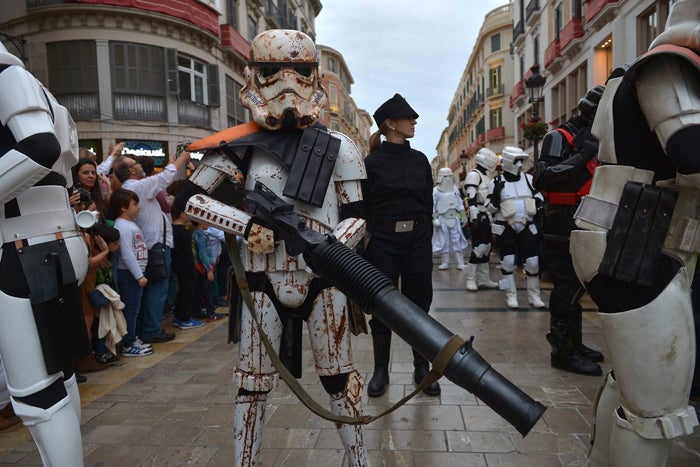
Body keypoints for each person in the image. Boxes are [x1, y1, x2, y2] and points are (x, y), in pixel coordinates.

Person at [173, 29, 369, 465]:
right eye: (271, 71)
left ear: (313, 77)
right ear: (253, 76)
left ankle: (359, 460)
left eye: (299, 71)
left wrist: (330, 247)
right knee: (252, 382)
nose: (287, 83)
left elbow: (357, 214)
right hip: (261, 277)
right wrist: (245, 225)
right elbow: (188, 198)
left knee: (340, 379)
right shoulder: (242, 148)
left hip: (324, 278)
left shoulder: (340, 147)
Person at [569, 2, 700, 464]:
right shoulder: (670, 65)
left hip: (635, 238)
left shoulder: (639, 69)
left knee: (632, 383)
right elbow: (690, 149)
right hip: (635, 241)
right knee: (658, 411)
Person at [0, 42, 89, 465]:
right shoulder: (40, 91)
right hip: (46, 245)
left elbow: (39, 147)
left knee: (37, 393)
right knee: (59, 373)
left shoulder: (8, 79)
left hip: (25, 251)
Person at [361, 93, 440, 398]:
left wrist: (425, 235)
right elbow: (363, 206)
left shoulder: (419, 160)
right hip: (383, 241)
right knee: (381, 305)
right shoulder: (372, 162)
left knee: (419, 304)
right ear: (390, 124)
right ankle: (382, 370)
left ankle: (422, 367)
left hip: (417, 239)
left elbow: (427, 202)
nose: (414, 122)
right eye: (409, 118)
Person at [534, 86, 605, 377]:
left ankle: (574, 342)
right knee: (566, 286)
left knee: (578, 285)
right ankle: (562, 351)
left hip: (584, 217)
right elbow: (544, 177)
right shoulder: (557, 137)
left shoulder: (594, 139)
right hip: (560, 220)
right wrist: (582, 155)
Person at [114, 150, 190, 344]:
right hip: (154, 245)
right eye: (136, 163)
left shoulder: (135, 187)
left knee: (155, 290)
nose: (140, 165)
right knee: (157, 290)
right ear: (131, 169)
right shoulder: (136, 187)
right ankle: (151, 330)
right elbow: (165, 178)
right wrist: (184, 156)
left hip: (152, 245)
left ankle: (148, 329)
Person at [487, 146, 545, 309]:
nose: (519, 164)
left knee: (533, 262)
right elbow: (489, 208)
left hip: (527, 224)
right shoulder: (495, 182)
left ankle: (535, 296)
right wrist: (496, 197)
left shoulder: (527, 179)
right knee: (508, 262)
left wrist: (540, 205)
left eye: (521, 161)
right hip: (506, 226)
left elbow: (538, 196)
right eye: (516, 161)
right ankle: (510, 295)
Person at [110, 188, 154, 358]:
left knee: (134, 309)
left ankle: (132, 338)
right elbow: (127, 254)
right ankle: (128, 344)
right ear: (123, 207)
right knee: (131, 309)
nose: (138, 208)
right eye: (135, 204)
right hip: (129, 275)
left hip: (135, 274)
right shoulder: (122, 226)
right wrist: (139, 275)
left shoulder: (130, 224)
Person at [463, 148, 500, 291]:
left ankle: (483, 279)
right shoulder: (474, 175)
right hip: (478, 215)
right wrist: (474, 216)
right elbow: (471, 198)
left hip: (487, 215)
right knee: (479, 248)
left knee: (487, 248)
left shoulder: (485, 176)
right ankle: (471, 279)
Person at [170, 204, 204, 330]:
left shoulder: (171, 229)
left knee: (181, 291)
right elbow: (187, 253)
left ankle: (179, 317)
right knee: (187, 292)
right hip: (185, 266)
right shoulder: (185, 232)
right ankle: (184, 318)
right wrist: (192, 268)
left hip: (176, 264)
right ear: (182, 214)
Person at [432, 167, 468, 270]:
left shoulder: (455, 188)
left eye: (450, 176)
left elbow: (459, 202)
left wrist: (463, 215)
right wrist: (435, 218)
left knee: (456, 239)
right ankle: (445, 262)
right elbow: (433, 205)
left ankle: (460, 262)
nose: (448, 178)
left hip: (454, 217)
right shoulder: (435, 190)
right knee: (444, 240)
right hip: (442, 218)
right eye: (446, 176)